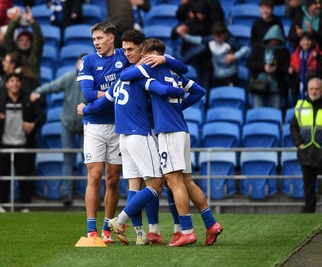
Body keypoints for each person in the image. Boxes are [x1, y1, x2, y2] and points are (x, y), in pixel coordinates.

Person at [77, 22, 188, 243]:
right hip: (141, 132)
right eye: (94, 39)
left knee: (134, 184)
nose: (127, 53)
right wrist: (179, 93)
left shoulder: (123, 77)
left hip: (122, 134)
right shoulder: (140, 74)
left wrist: (86, 109)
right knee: (157, 183)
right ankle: (120, 221)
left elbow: (101, 101)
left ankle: (143, 234)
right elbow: (169, 87)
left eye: (100, 38)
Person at [119, 38, 223, 246]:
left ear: (149, 55)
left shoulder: (149, 69)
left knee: (173, 182)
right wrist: (178, 105)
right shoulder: (174, 71)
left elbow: (124, 75)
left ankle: (186, 230)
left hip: (167, 132)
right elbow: (199, 91)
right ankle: (211, 224)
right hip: (182, 129)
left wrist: (145, 65)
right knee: (186, 180)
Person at [0, 73, 46, 212]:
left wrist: (33, 124)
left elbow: (42, 116)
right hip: (4, 145)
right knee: (3, 177)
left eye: (17, 81)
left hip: (24, 145)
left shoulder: (28, 101)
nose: (15, 83)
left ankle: (25, 205)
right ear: (7, 84)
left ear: (20, 84)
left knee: (24, 177)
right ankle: (2, 205)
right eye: (12, 81)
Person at [30, 54, 87, 206]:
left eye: (85, 62)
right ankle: (66, 195)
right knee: (68, 159)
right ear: (76, 64)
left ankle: (89, 195)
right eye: (80, 62)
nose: (81, 65)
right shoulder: (69, 77)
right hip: (67, 123)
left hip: (86, 124)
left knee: (88, 161)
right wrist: (38, 92)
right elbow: (53, 86)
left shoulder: (93, 80)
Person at [177, 20, 250, 87]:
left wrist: (234, 56)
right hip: (217, 76)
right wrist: (184, 36)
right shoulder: (211, 39)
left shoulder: (231, 41)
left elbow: (246, 49)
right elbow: (197, 40)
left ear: (225, 34)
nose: (218, 39)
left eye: (220, 37)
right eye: (216, 36)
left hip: (230, 76)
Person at [290, 77, 322, 213]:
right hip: (306, 153)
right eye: (311, 89)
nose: (314, 91)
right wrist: (298, 143)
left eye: (317, 89)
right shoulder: (300, 106)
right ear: (307, 90)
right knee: (308, 187)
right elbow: (293, 127)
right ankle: (308, 212)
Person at [247, 25, 290, 109]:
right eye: (272, 41)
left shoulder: (284, 52)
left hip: (276, 88)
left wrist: (276, 69)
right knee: (258, 113)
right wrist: (264, 67)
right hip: (258, 86)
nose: (273, 43)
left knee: (275, 114)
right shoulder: (258, 49)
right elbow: (250, 63)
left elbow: (286, 68)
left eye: (276, 41)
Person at [5, 5, 44, 81]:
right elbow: (8, 37)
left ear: (31, 42)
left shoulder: (34, 53)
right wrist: (15, 20)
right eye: (21, 40)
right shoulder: (13, 53)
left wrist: (32, 21)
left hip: (32, 86)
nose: (24, 42)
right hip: (15, 86)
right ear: (17, 42)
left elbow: (39, 38)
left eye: (27, 40)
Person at [288, 32, 322, 100]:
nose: (306, 43)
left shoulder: (318, 53)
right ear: (300, 42)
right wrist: (290, 72)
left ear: (312, 42)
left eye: (308, 40)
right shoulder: (295, 55)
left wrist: (318, 57)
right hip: (300, 85)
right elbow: (293, 75)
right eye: (303, 40)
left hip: (314, 85)